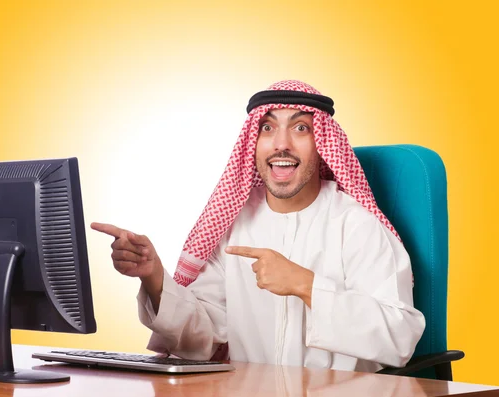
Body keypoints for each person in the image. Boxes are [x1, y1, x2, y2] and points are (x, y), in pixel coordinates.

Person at [91, 80, 426, 373]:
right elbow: (203, 338)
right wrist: (154, 278)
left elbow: (400, 338)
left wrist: (307, 286)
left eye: (300, 128)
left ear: (322, 145)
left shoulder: (356, 226)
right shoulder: (235, 225)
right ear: (253, 142)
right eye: (267, 128)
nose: (281, 144)